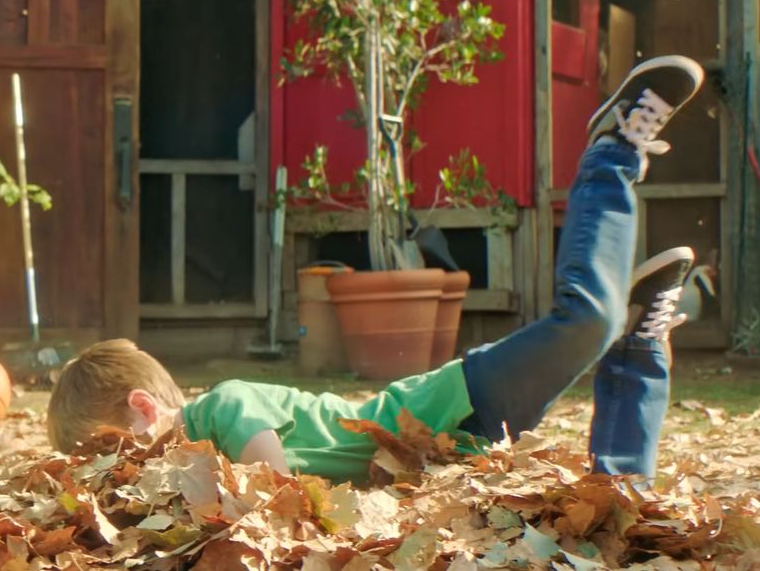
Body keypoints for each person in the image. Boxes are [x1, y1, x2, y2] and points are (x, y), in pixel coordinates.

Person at [46, 56, 706, 485]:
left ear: (143, 408)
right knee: (620, 495)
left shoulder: (220, 408)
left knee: (586, 319)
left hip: (446, 403)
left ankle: (611, 151)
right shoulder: (189, 454)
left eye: (114, 455)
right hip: (445, 454)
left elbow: (272, 484)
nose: (120, 473)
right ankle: (644, 338)